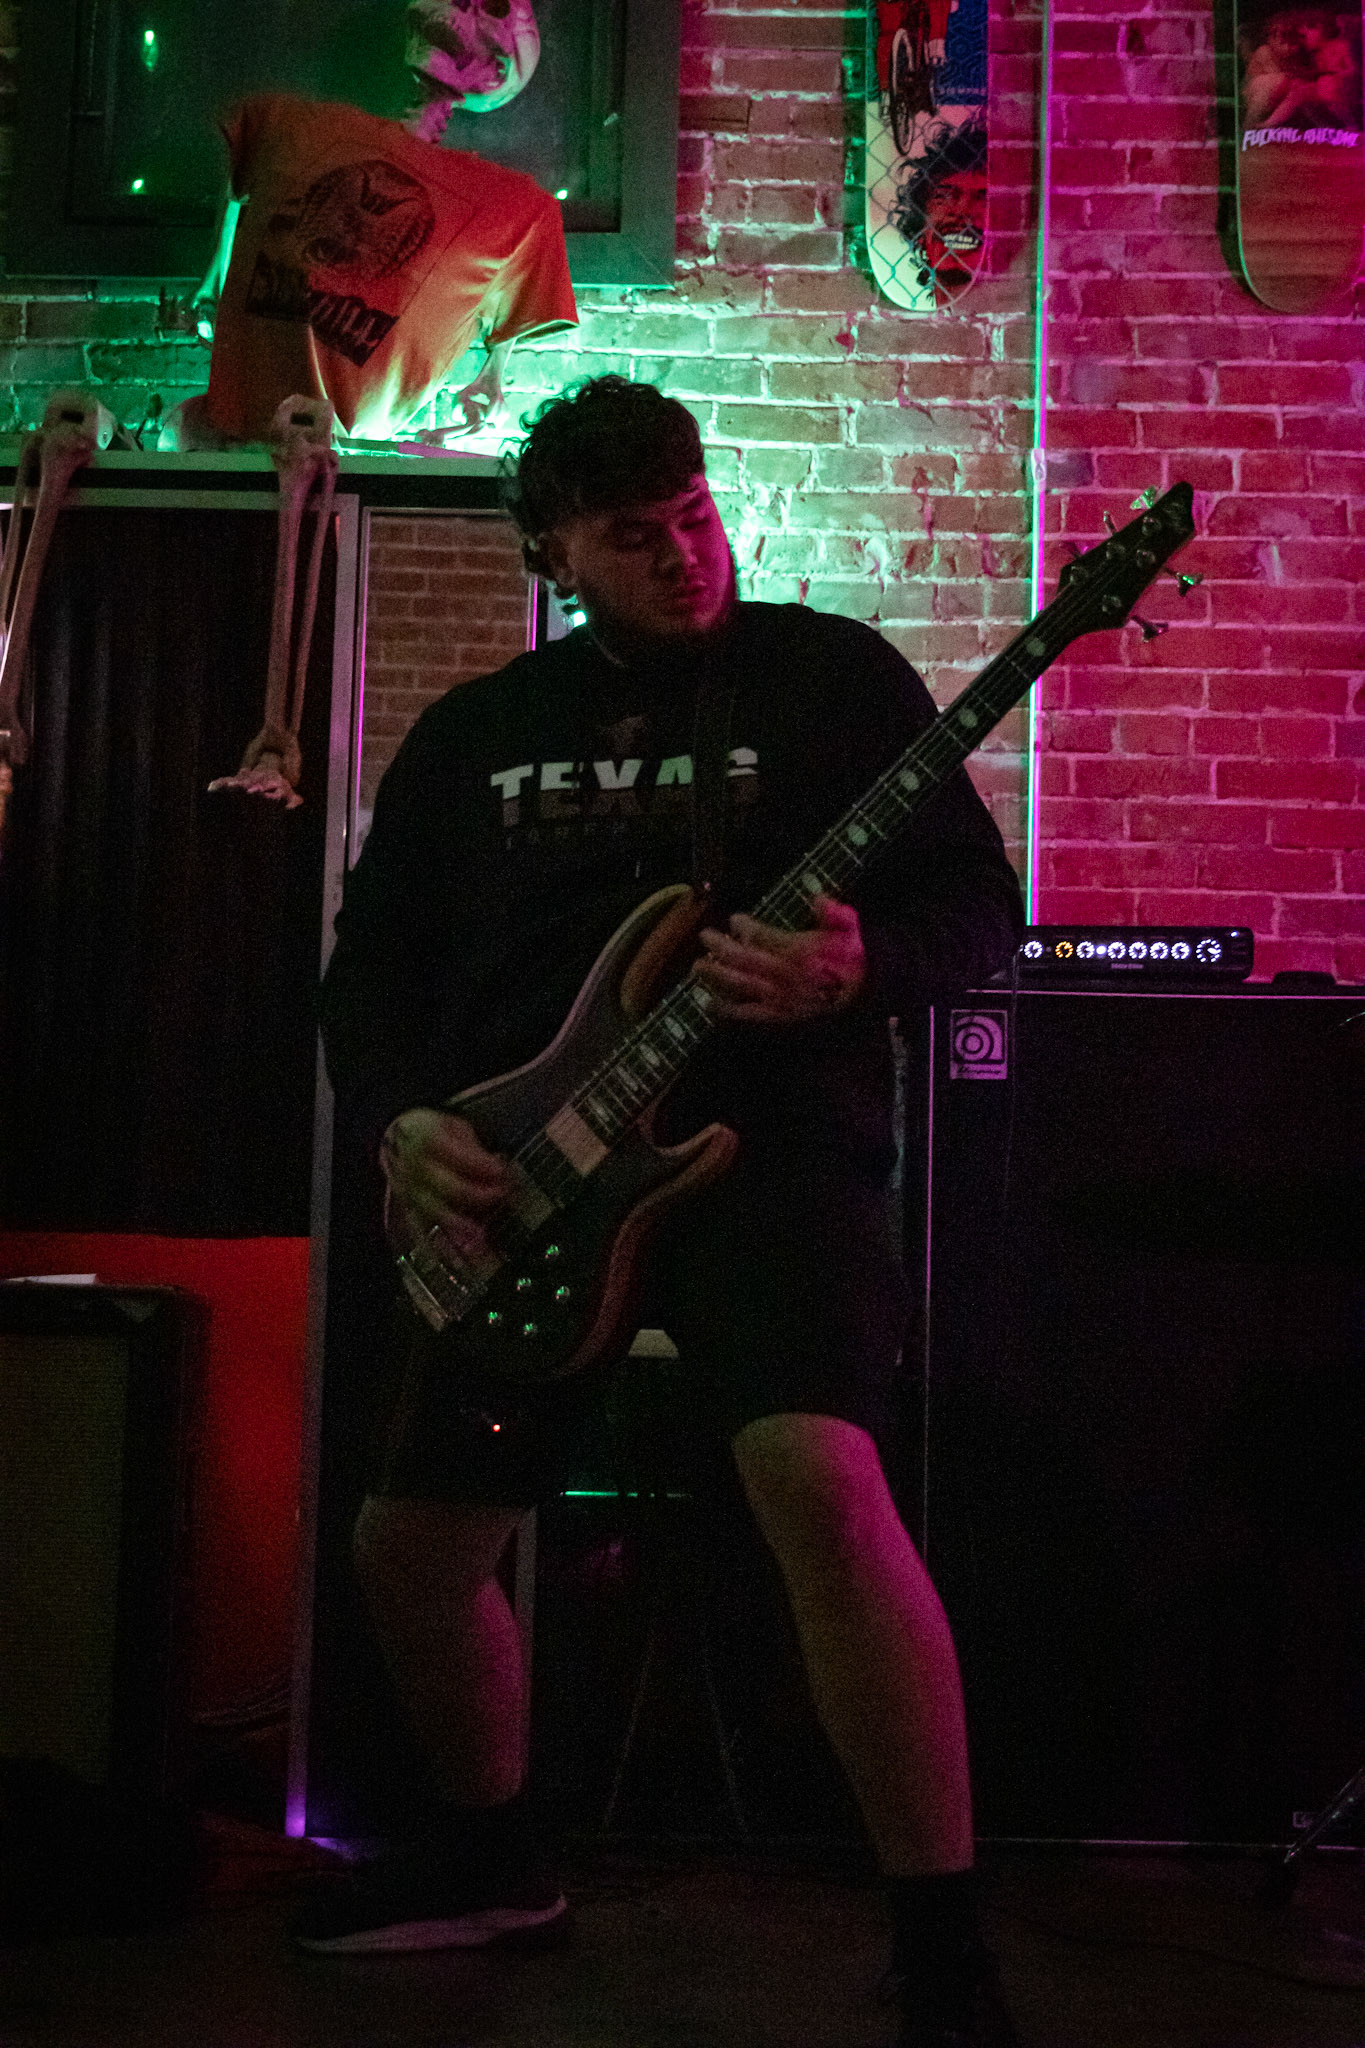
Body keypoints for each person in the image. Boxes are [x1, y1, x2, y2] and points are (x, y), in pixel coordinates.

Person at [307, 375, 1025, 2048]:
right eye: (634, 535)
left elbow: (974, 907)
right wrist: (409, 1121)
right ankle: (493, 1857)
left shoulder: (829, 678)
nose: (683, 554)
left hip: (769, 1166)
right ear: (553, 549)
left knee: (821, 1482)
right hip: (532, 1188)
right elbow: (371, 976)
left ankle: (942, 1936)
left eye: (695, 516)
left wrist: (860, 962)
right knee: (408, 1548)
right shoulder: (475, 732)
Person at [161, 0, 572, 450]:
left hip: (349, 452)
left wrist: (491, 375)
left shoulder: (517, 207)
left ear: (499, 67)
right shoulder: (290, 125)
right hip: (237, 436)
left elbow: (514, 307)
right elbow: (237, 171)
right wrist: (211, 280)